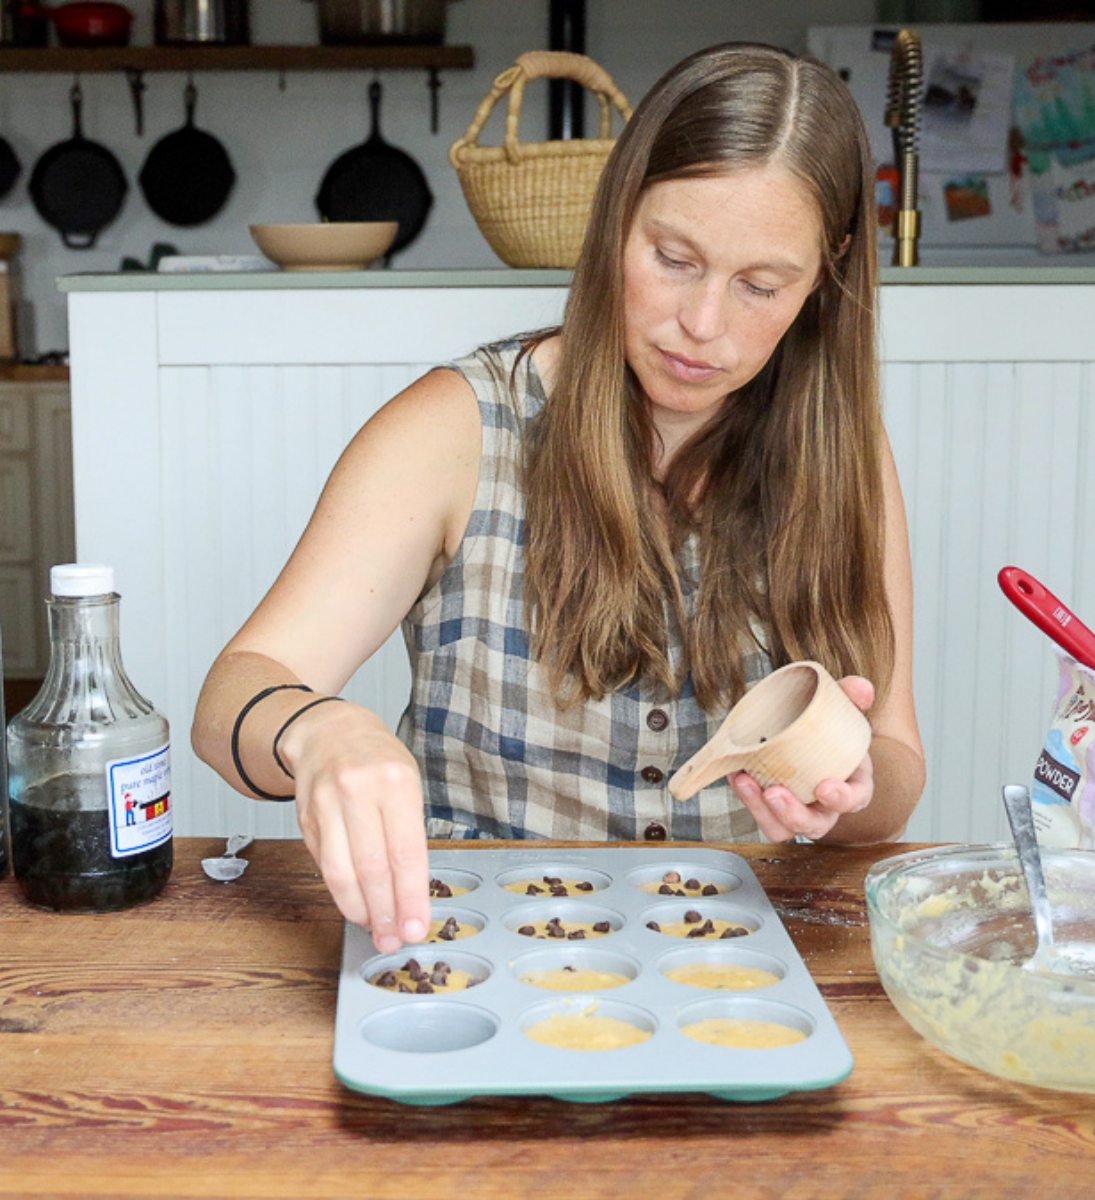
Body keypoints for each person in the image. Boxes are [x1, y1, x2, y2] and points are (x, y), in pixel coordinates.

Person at [192, 42, 925, 954]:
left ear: (828, 274)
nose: (704, 324)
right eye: (673, 258)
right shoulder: (460, 426)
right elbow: (232, 696)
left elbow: (895, 770)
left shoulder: (845, 455)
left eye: (761, 286)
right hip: (476, 950)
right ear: (615, 222)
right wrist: (316, 731)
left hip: (735, 965)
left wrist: (841, 789)